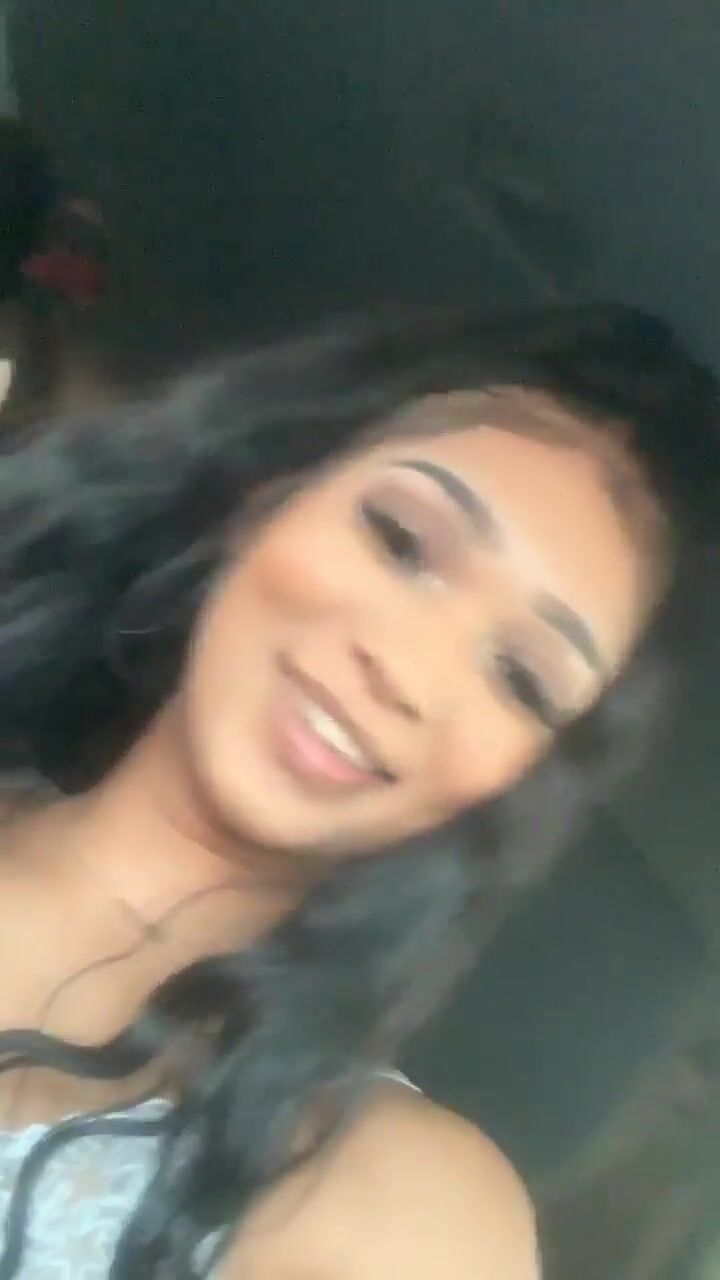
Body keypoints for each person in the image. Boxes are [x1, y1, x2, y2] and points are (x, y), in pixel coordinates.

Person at [0, 302, 716, 1279]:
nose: (405, 669)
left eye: (521, 678)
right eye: (401, 540)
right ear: (269, 494)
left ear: (522, 779)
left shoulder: (406, 1214)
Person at [0, 114, 116, 430]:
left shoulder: (17, 148)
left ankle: (33, 407)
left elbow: (53, 201)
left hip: (26, 257)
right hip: (24, 257)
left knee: (39, 317)